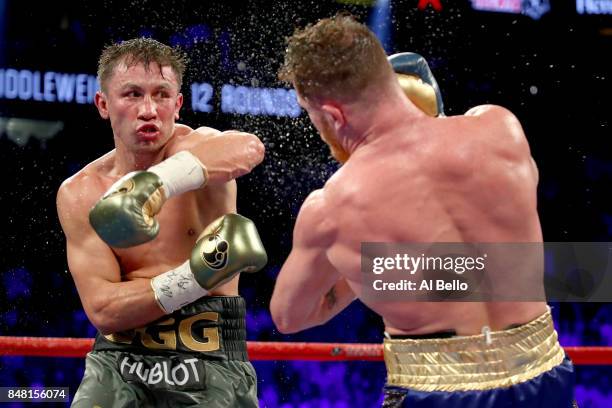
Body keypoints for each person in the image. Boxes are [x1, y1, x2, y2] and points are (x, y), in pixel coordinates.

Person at [270, 14, 575, 407]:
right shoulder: (501, 128)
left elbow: (289, 316)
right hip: (545, 379)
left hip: (434, 393)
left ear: (333, 115)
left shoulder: (330, 208)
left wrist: (374, 267)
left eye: (311, 117)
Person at [56, 37, 267, 407]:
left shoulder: (200, 152)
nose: (149, 109)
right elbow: (104, 309)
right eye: (132, 94)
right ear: (104, 104)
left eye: (162, 95)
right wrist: (198, 275)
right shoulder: (81, 193)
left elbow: (248, 147)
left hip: (209, 357)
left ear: (179, 104)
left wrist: (155, 184)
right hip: (118, 361)